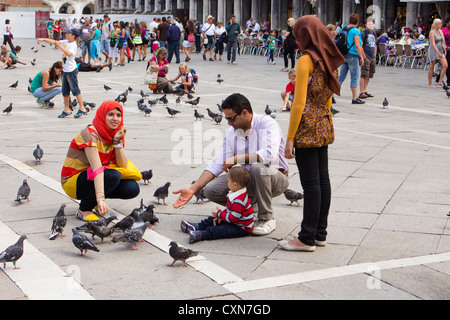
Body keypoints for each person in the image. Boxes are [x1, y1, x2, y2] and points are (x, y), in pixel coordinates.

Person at [173, 93, 289, 236]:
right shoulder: (231, 132)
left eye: (231, 118)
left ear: (244, 113)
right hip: (247, 179)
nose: (228, 122)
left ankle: (266, 218)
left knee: (258, 167)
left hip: (274, 178)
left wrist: (236, 159)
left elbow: (268, 155)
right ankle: (248, 209)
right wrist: (193, 189)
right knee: (210, 190)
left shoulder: (267, 123)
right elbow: (217, 163)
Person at [280, 15, 345, 252]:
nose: (297, 40)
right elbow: (328, 98)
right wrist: (324, 119)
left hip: (307, 126)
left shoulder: (306, 60)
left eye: (298, 35)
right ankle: (320, 233)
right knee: (323, 180)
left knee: (310, 184)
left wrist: (289, 138)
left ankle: (306, 238)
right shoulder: (329, 58)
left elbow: (297, 104)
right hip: (324, 122)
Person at [61, 100, 140, 221]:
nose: (115, 119)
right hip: (73, 180)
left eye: (119, 115)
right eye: (110, 114)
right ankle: (84, 209)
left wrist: (117, 142)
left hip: (93, 177)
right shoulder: (90, 135)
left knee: (132, 188)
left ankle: (93, 201)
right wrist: (101, 198)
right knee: (113, 176)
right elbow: (97, 169)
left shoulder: (112, 134)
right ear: (103, 115)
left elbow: (123, 165)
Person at [181, 166, 254, 243]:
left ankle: (201, 234)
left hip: (240, 228)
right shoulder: (236, 193)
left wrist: (220, 215)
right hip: (235, 222)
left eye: (228, 181)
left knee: (219, 230)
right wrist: (220, 215)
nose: (227, 183)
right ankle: (197, 226)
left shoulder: (239, 200)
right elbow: (231, 210)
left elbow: (233, 218)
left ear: (235, 185)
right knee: (212, 219)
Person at [37, 29, 89, 119]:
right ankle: (66, 109)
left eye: (69, 33)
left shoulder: (73, 45)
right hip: (65, 70)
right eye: (66, 33)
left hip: (71, 70)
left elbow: (69, 54)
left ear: (73, 36)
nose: (66, 34)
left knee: (75, 90)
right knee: (65, 91)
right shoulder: (66, 42)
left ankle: (82, 108)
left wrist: (60, 46)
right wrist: (43, 39)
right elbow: (54, 41)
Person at [337, 13, 366, 104]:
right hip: (352, 55)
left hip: (344, 54)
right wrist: (361, 56)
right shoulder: (355, 31)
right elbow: (357, 45)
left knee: (341, 76)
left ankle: (331, 95)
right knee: (354, 77)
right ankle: (354, 98)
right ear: (357, 21)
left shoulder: (343, 28)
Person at [359, 17, 377, 99]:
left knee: (369, 74)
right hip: (366, 56)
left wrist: (374, 56)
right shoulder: (363, 33)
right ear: (365, 25)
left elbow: (375, 45)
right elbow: (360, 45)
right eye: (369, 24)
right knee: (364, 74)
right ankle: (361, 91)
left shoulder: (373, 33)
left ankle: (365, 90)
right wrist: (364, 56)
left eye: (372, 24)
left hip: (372, 56)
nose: (371, 25)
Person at [427, 19, 448, 88]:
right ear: (436, 24)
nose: (441, 25)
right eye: (439, 24)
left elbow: (442, 41)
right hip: (433, 50)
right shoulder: (432, 32)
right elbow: (433, 43)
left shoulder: (440, 31)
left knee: (445, 65)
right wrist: (438, 52)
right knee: (432, 67)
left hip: (440, 49)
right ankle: (430, 83)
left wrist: (444, 49)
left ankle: (440, 81)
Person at [443, 17, 450, 86]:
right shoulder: (443, 31)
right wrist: (445, 47)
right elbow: (442, 40)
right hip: (446, 50)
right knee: (447, 65)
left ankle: (439, 77)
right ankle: (448, 80)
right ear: (446, 23)